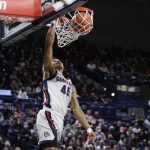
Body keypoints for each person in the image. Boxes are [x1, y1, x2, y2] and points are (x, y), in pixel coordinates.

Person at [36, 24, 96, 150]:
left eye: (59, 60)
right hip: (49, 114)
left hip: (60, 119)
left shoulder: (71, 85)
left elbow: (77, 110)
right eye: (54, 60)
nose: (57, 61)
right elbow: (48, 48)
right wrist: (53, 25)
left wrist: (89, 129)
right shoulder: (50, 73)